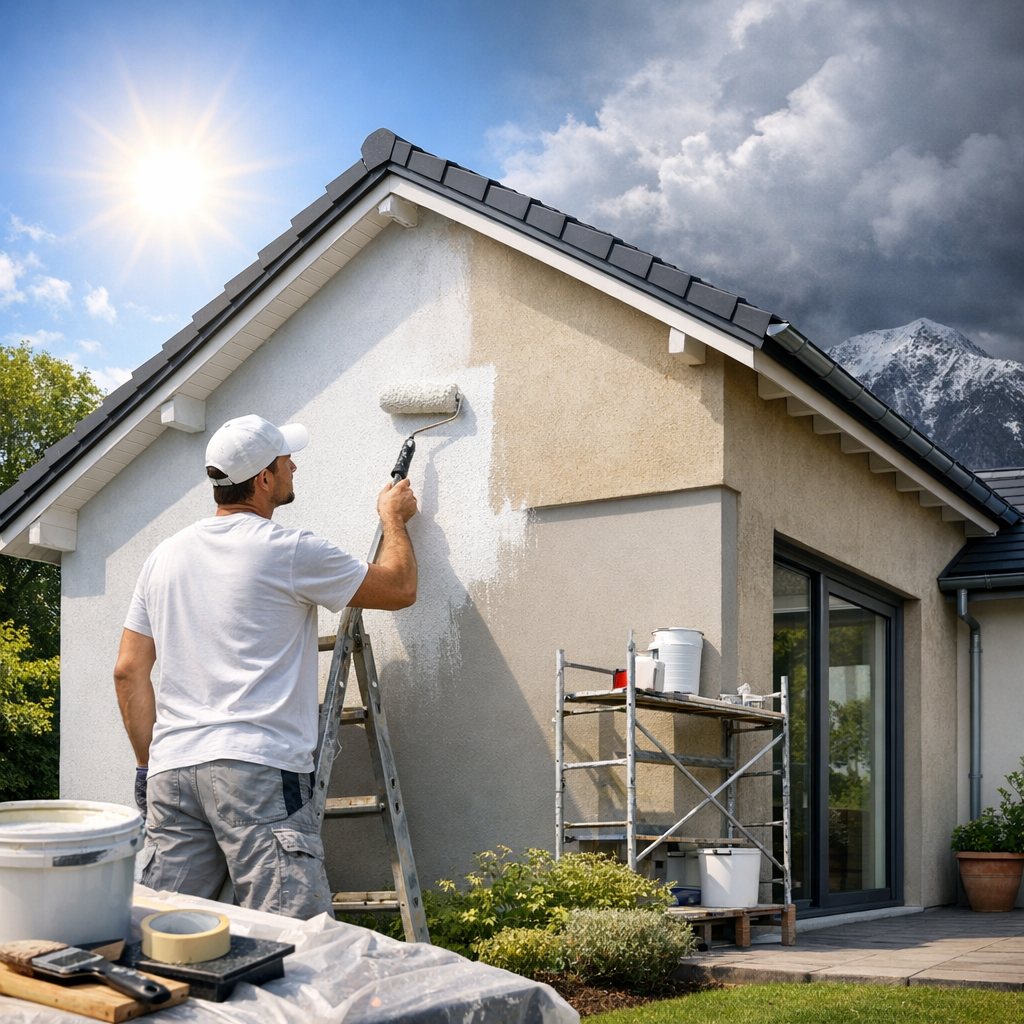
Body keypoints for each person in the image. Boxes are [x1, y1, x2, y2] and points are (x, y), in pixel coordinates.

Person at [113, 414, 418, 919]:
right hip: (254, 770)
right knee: (291, 936)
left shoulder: (163, 558)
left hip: (171, 772)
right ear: (264, 480)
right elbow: (400, 588)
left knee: (162, 934)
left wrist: (149, 767)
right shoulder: (289, 550)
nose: (294, 465)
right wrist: (393, 518)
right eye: (285, 460)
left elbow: (128, 671)